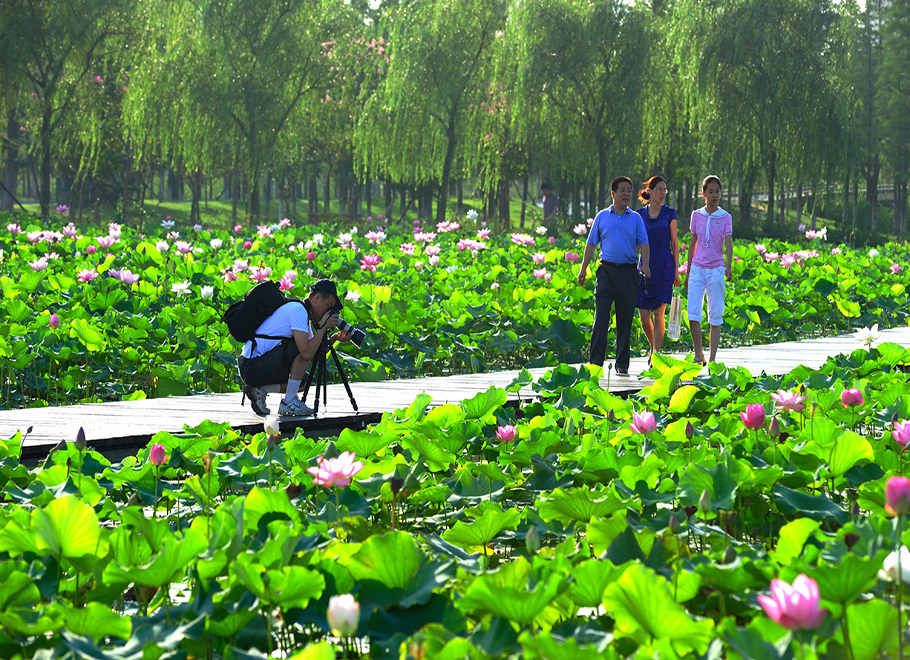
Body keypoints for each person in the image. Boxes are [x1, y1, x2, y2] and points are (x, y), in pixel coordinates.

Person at [238, 279, 349, 416]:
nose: (330, 312)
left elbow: (313, 358)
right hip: (251, 366)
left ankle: (261, 390)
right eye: (328, 306)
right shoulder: (298, 310)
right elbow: (306, 353)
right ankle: (288, 402)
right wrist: (323, 328)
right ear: (317, 298)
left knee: (303, 381)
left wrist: (334, 339)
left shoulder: (304, 316)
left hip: (256, 366)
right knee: (301, 347)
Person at [577, 177, 651, 375]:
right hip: (606, 272)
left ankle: (622, 364)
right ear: (613, 194)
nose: (626, 194)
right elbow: (591, 244)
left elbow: (644, 243)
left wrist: (646, 265)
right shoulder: (602, 217)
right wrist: (583, 268)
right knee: (601, 318)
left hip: (628, 272)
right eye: (622, 190)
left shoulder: (635, 218)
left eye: (629, 190)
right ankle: (595, 364)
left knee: (625, 320)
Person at [683, 175, 733, 365]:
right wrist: (687, 273)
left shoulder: (726, 217)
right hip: (697, 268)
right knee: (693, 313)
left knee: (715, 315)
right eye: (710, 191)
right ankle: (698, 354)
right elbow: (692, 243)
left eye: (717, 191)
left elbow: (728, 243)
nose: (714, 195)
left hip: (716, 270)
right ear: (704, 194)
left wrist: (728, 267)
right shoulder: (696, 215)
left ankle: (712, 359)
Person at [634, 176, 680, 366]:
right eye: (659, 189)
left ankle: (656, 354)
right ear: (650, 191)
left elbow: (675, 243)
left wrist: (676, 271)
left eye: (665, 190)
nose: (662, 193)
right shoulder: (638, 215)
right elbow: (635, 243)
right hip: (644, 266)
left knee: (659, 313)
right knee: (644, 317)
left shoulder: (670, 213)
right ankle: (653, 346)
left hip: (664, 266)